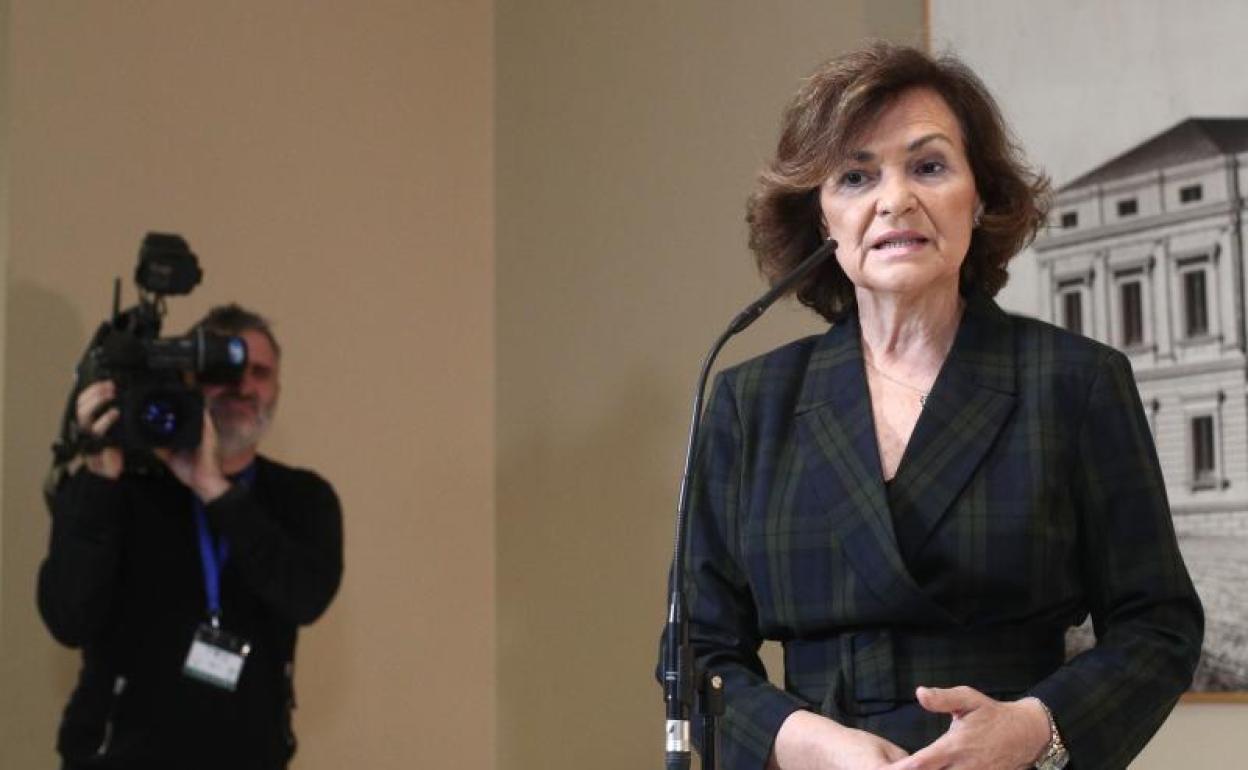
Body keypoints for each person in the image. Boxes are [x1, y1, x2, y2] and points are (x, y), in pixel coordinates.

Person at [677, 44, 1203, 770]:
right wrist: (808, 745)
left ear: (979, 197)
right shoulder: (751, 403)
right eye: (856, 176)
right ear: (822, 217)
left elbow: (1159, 626)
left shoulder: (1075, 383)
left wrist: (1033, 728)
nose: (895, 200)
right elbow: (698, 652)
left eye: (928, 167)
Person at [38, 304, 343, 770]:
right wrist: (99, 482)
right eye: (224, 371)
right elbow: (67, 618)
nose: (243, 386)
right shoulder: (119, 485)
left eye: (260, 373)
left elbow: (305, 597)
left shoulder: (302, 497)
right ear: (187, 380)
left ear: (277, 390)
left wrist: (213, 488)